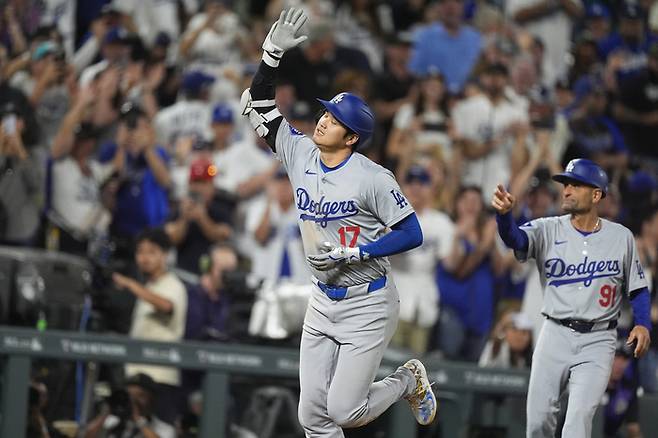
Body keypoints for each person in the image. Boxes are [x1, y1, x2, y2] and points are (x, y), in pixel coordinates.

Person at [240, 8, 436, 436]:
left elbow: (412, 232)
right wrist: (272, 54)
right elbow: (257, 103)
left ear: (351, 138)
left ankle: (406, 380)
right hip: (322, 299)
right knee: (312, 417)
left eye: (334, 120)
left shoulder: (373, 177)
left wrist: (362, 250)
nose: (324, 119)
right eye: (326, 113)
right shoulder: (298, 152)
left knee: (345, 411)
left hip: (367, 300)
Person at [492, 158, 652, 437]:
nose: (566, 190)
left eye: (575, 184)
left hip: (599, 339)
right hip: (554, 332)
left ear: (596, 194)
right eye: (566, 184)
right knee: (539, 422)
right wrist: (505, 217)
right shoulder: (547, 228)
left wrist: (642, 323)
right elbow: (516, 240)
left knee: (578, 421)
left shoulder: (621, 237)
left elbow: (637, 288)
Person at [112, 228, 187, 425]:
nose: (144, 258)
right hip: (137, 377)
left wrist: (131, 285)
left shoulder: (173, 284)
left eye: (151, 252)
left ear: (165, 255)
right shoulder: (149, 287)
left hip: (160, 378)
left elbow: (165, 306)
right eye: (140, 252)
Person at [83, 373, 176, 438]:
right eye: (129, 394)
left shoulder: (164, 429)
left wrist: (138, 420)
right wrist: (105, 414)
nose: (133, 400)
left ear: (152, 400)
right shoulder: (110, 423)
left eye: (140, 395)